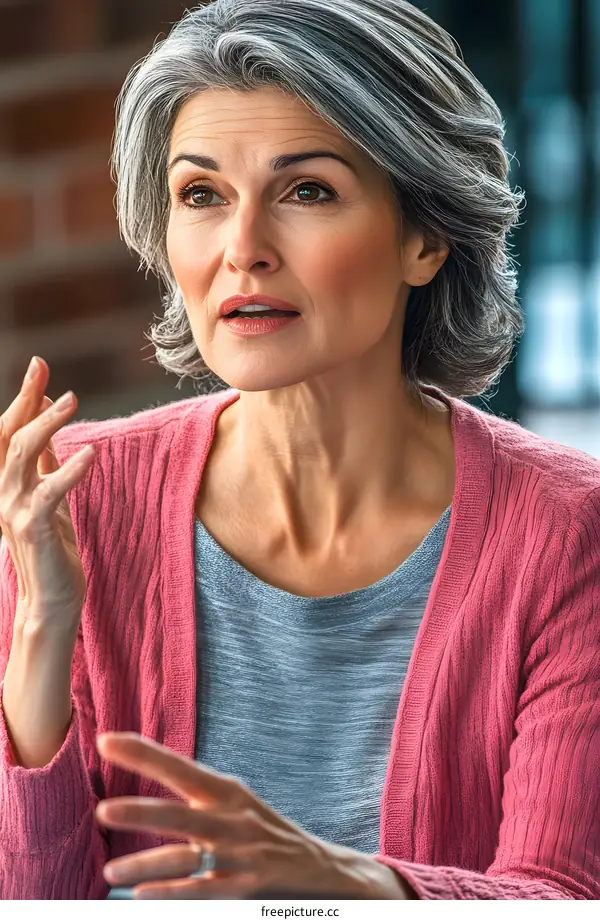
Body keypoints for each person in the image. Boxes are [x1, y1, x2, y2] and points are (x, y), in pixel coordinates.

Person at [0, 0, 599, 902]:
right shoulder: (74, 498)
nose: (243, 250)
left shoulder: (565, 527)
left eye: (306, 190)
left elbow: (564, 896)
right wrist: (40, 634)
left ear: (425, 237)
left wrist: (345, 888)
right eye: (202, 195)